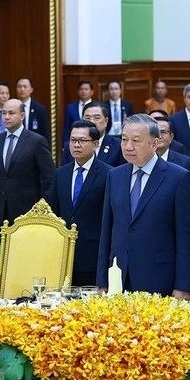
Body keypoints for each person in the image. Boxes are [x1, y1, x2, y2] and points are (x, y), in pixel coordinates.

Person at [96, 114, 190, 297]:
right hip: (119, 276)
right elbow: (106, 231)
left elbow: (185, 238)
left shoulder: (178, 177)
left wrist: (183, 287)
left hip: (159, 278)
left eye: (136, 141)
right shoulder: (114, 176)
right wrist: (102, 281)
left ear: (154, 143)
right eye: (124, 139)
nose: (128, 146)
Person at [46, 120, 111, 286]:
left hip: (93, 253)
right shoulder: (61, 173)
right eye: (73, 140)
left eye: (82, 140)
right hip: (63, 252)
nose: (76, 145)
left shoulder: (109, 174)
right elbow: (53, 211)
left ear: (95, 144)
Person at [0, 99, 55, 231]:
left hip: (28, 211)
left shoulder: (36, 141)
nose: (6, 117)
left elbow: (49, 177)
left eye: (11, 113)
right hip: (1, 210)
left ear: (22, 116)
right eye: (3, 113)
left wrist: (44, 207)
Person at [14, 77, 50, 141]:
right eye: (19, 87)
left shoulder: (40, 109)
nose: (22, 89)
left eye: (25, 87)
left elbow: (45, 133)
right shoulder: (11, 107)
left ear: (31, 89)